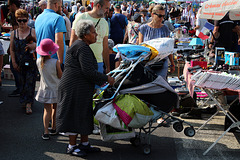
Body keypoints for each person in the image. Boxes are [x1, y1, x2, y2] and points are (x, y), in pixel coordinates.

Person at [56, 20, 115, 157]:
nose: (96, 34)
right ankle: (71, 146)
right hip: (73, 88)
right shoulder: (81, 47)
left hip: (79, 87)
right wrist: (107, 79)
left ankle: (84, 143)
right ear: (86, 35)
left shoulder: (82, 46)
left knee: (84, 114)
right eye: (93, 32)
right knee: (74, 115)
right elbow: (88, 71)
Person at [70, 0, 111, 73]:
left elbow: (105, 47)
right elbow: (72, 42)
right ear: (98, 6)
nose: (108, 11)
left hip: (98, 64)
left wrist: (107, 67)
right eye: (106, 8)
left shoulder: (104, 23)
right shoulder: (82, 17)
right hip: (82, 63)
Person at [9, 9, 38, 114]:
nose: (22, 23)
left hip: (30, 62)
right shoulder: (14, 33)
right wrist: (13, 62)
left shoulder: (32, 31)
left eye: (24, 20)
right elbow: (11, 49)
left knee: (30, 83)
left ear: (27, 20)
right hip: (18, 63)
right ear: (16, 20)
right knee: (21, 83)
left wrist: (33, 45)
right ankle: (24, 100)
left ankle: (29, 104)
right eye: (19, 20)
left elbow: (39, 45)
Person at [138, 5, 175, 81]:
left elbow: (168, 48)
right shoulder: (143, 28)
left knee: (160, 84)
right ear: (152, 14)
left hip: (162, 63)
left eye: (163, 16)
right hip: (147, 63)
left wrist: (172, 63)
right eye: (159, 16)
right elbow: (140, 47)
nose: (161, 19)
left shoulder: (165, 29)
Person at [35, 38, 62, 140]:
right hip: (56, 88)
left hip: (44, 89)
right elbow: (60, 75)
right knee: (55, 108)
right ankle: (54, 128)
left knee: (47, 110)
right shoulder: (55, 62)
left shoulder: (38, 61)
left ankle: (46, 131)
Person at [35, 0, 66, 66]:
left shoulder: (38, 18)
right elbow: (59, 41)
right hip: (54, 61)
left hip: (40, 60)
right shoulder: (58, 18)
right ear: (56, 5)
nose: (61, 9)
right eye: (60, 6)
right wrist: (61, 62)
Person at [7, 0, 21, 97]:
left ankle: (20, 88)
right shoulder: (18, 14)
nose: (8, 8)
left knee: (14, 65)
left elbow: (16, 31)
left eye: (9, 6)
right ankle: (20, 87)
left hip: (18, 44)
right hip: (20, 43)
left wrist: (10, 47)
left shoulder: (15, 15)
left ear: (13, 5)